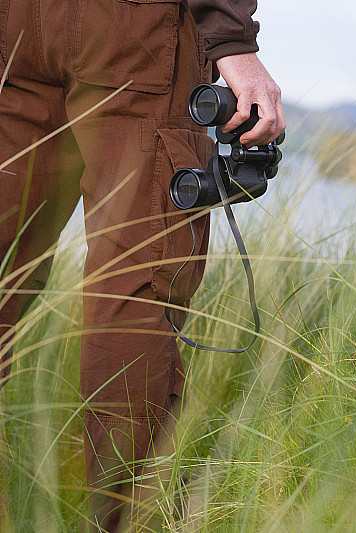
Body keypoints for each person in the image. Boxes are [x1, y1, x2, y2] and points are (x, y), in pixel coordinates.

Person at [0, 0, 285, 529]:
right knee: (131, 293)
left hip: (14, 28)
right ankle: (123, 523)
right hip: (134, 31)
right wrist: (232, 41)